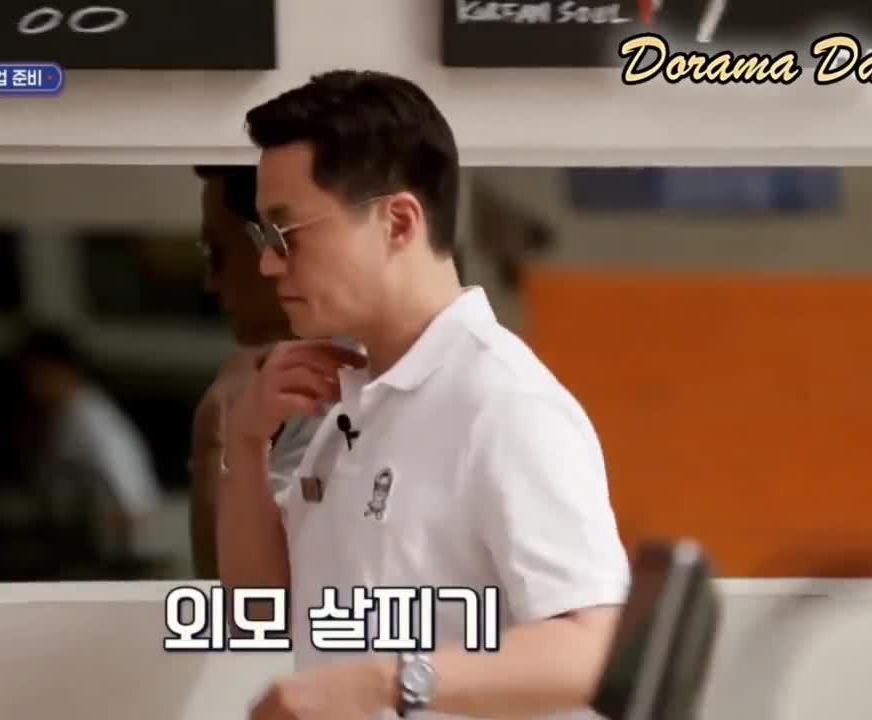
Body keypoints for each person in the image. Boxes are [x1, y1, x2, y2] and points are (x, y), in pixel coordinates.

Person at [216, 70, 631, 720]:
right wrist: (244, 444)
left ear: (398, 221)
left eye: (288, 234)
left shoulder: (503, 404)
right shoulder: (351, 401)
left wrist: (383, 681)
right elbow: (262, 609)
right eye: (264, 239)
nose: (270, 264)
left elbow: (594, 652)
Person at [188, 164, 320, 579]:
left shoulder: (345, 388)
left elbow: (243, 598)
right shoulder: (312, 377)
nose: (211, 282)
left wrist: (217, 433)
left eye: (217, 252)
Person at [0, 328, 164, 580]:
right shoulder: (58, 416)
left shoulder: (94, 421)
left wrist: (89, 526)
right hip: (64, 541)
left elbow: (134, 506)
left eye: (37, 373)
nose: (31, 385)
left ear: (63, 370)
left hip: (103, 554)